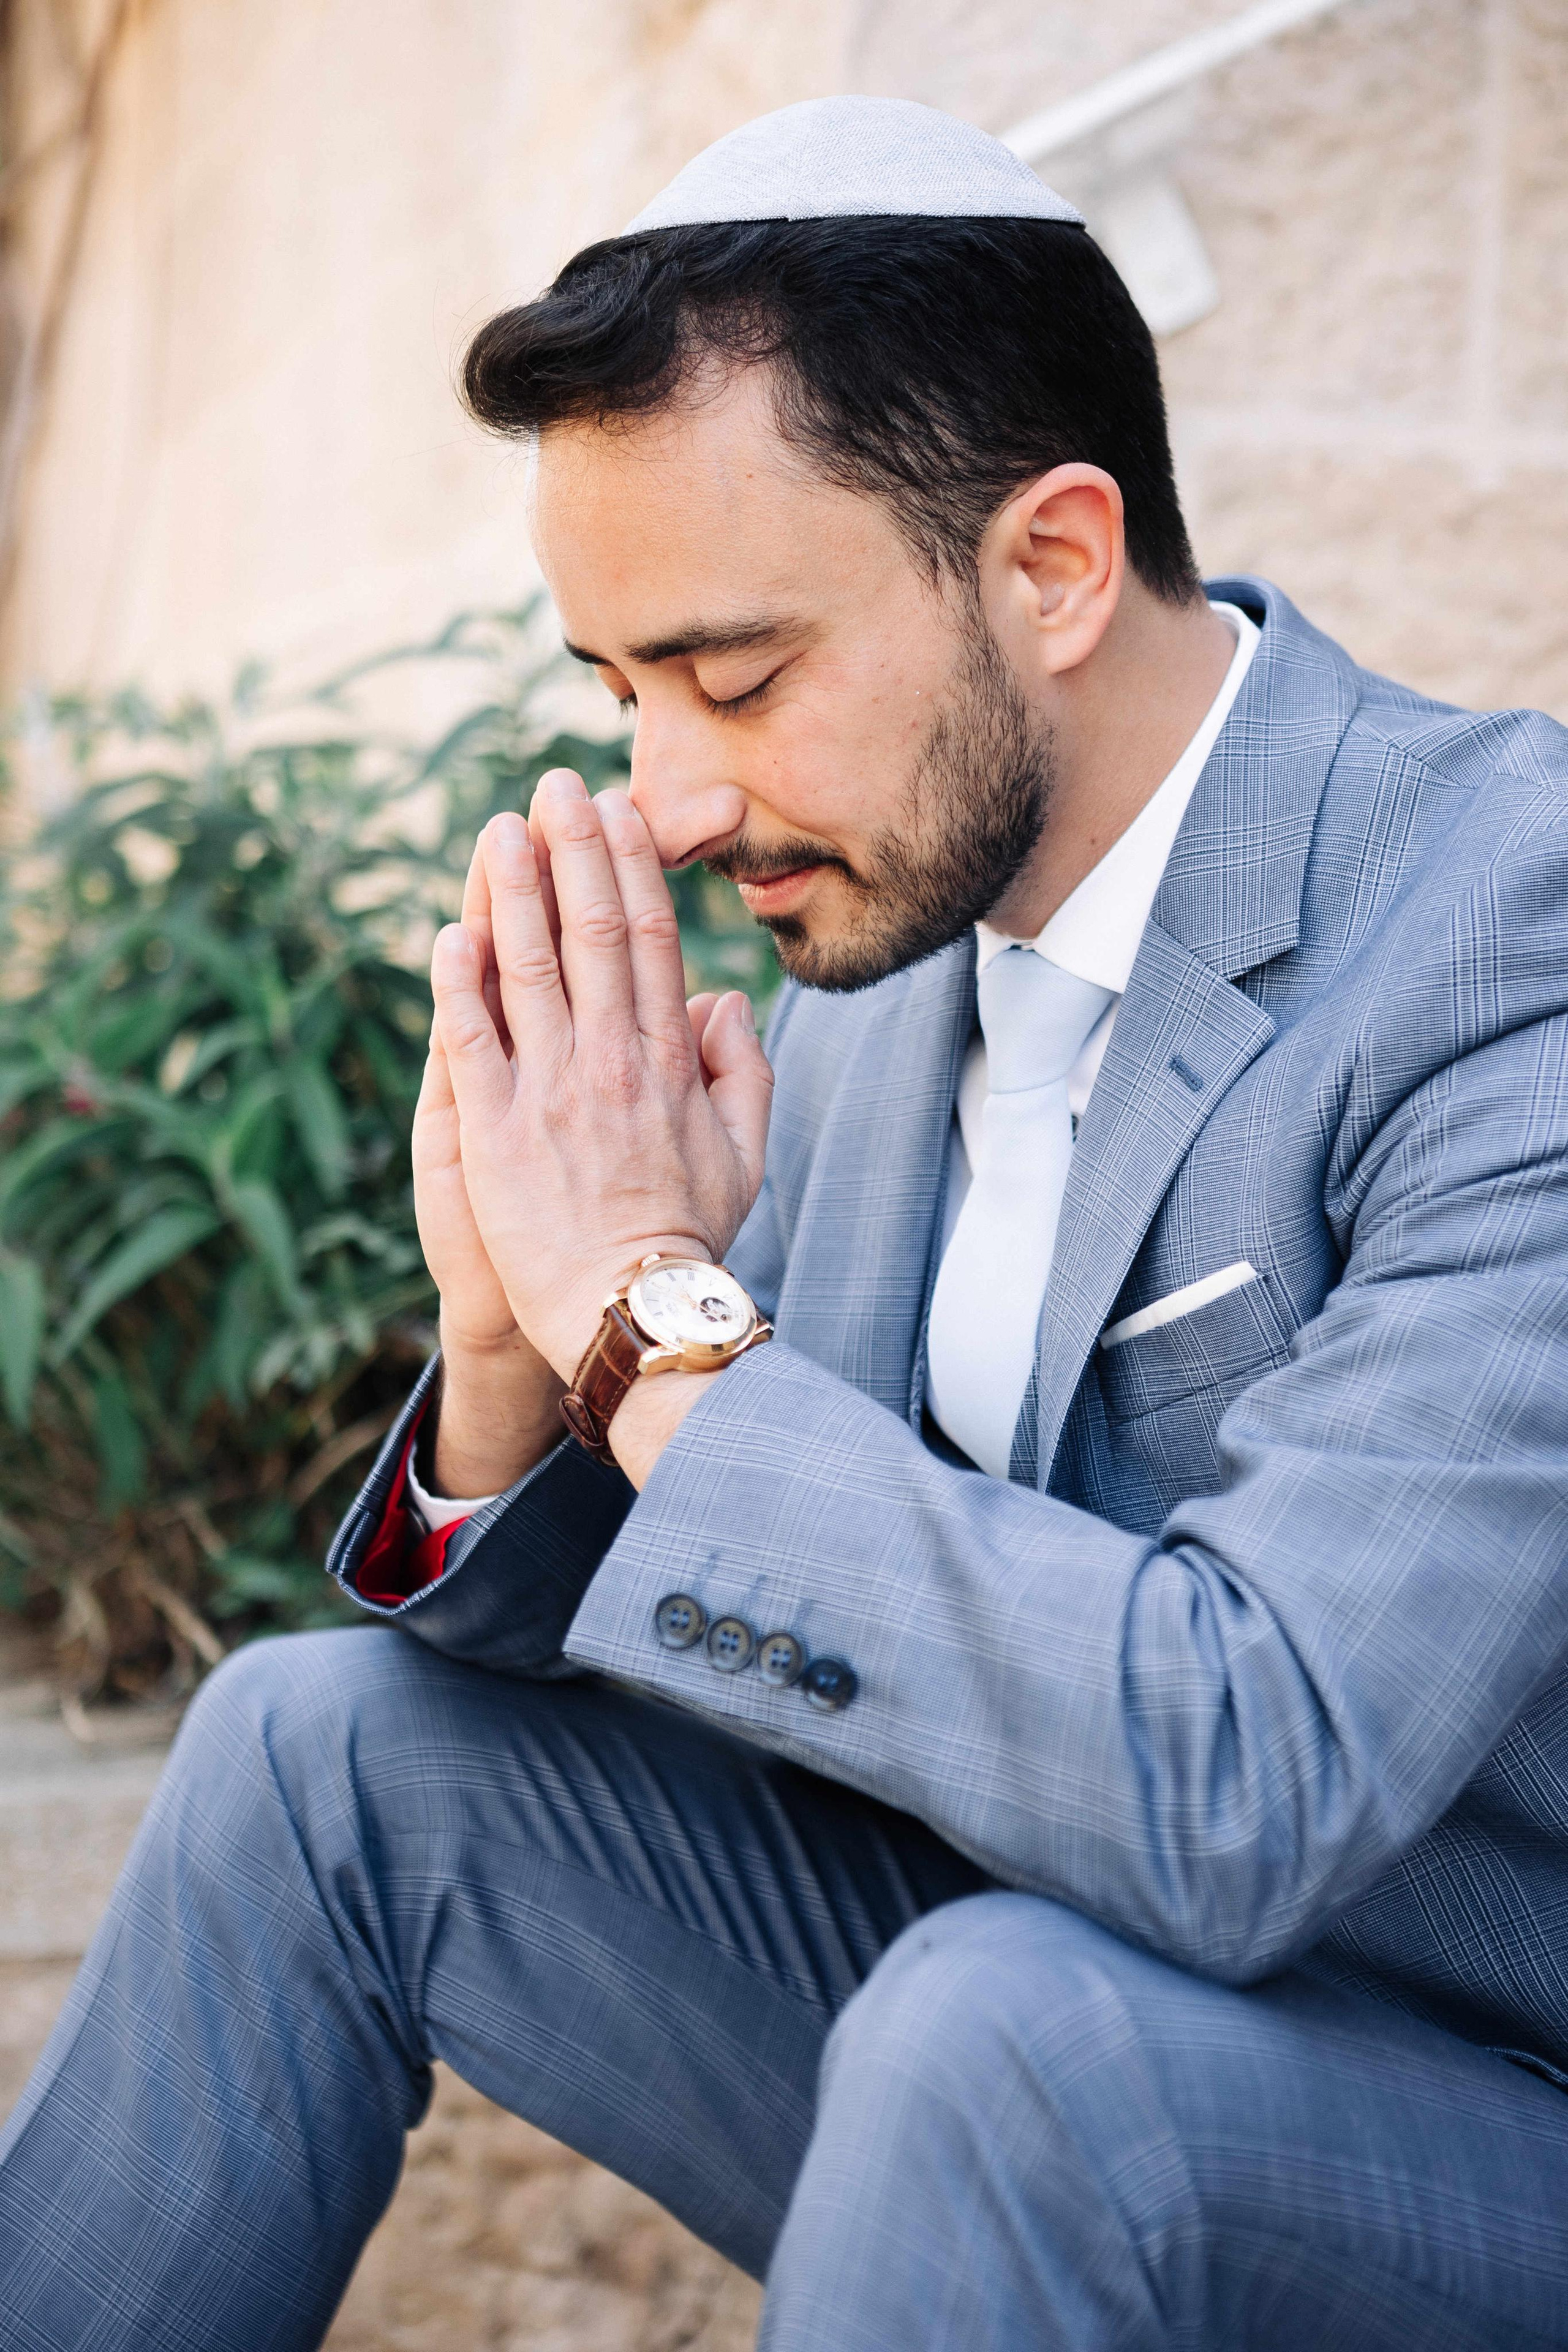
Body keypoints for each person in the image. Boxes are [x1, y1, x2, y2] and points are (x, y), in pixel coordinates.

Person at [4, 94, 1568, 2352]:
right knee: (309, 1756)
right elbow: (773, 1623)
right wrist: (525, 1349)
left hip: (1481, 2135)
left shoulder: (1504, 929)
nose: (675, 800)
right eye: (623, 694)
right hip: (999, 2012)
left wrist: (662, 1315)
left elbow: (1259, 1776)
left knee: (1007, 2033)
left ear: (1046, 564)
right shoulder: (866, 970)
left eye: (735, 677)